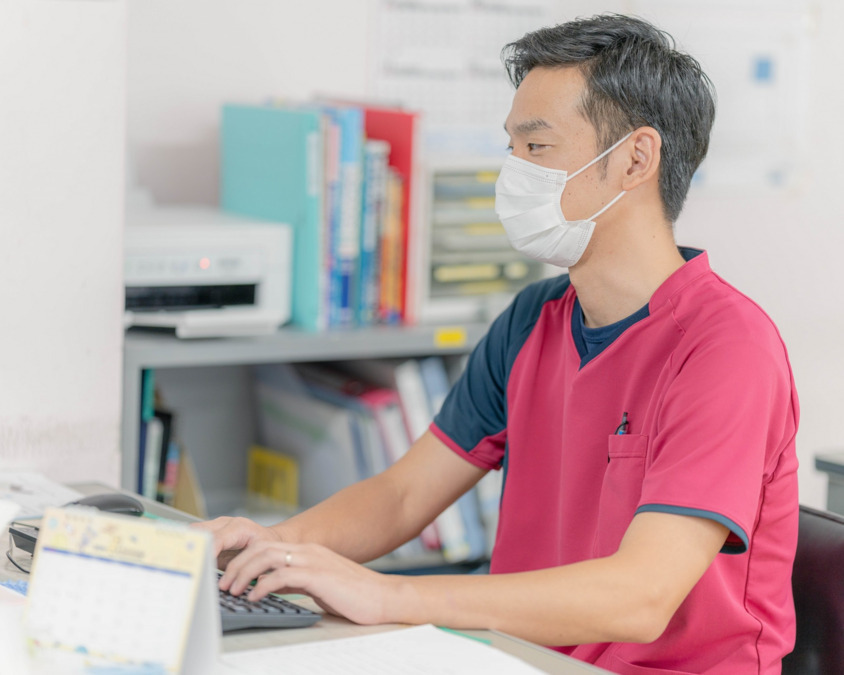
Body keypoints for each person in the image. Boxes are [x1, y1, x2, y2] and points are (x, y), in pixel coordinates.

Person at [199, 14, 799, 674]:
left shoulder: (727, 349)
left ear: (636, 159)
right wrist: (271, 546)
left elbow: (642, 596)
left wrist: (388, 595)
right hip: (524, 660)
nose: (513, 173)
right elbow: (404, 495)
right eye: (511, 148)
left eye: (537, 147)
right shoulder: (532, 321)